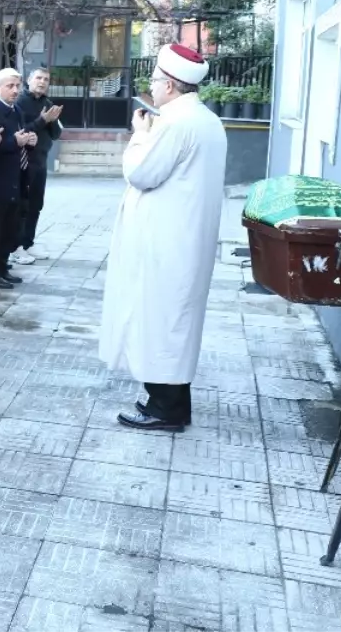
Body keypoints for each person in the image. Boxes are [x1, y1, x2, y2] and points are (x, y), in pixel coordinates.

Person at [100, 43, 227, 432]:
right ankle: (171, 402)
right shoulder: (204, 119)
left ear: (171, 86)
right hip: (182, 239)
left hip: (169, 242)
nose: (151, 87)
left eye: (155, 80)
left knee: (162, 320)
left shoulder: (174, 123)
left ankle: (165, 408)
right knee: (175, 320)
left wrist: (139, 135)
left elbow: (141, 173)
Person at [0, 69, 34, 290]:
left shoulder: (17, 110)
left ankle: (2, 267)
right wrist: (15, 142)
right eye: (10, 86)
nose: (15, 90)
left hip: (16, 177)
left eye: (18, 86)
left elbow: (20, 139)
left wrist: (29, 140)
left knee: (9, 228)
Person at [12, 68, 63, 263]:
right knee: (21, 205)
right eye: (38, 78)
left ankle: (28, 242)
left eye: (46, 79)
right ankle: (16, 246)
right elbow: (22, 130)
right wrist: (42, 120)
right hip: (23, 162)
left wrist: (52, 120)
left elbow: (56, 134)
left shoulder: (47, 103)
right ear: (29, 80)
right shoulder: (20, 102)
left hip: (41, 160)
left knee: (36, 204)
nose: (42, 82)